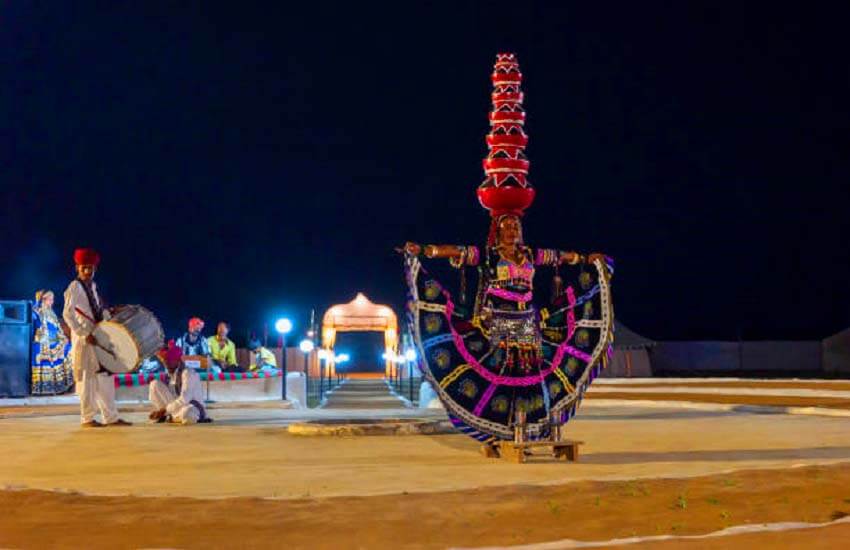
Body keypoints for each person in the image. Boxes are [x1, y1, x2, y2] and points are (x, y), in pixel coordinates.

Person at [401, 53, 614, 447]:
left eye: (516, 225)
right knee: (498, 378)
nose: (513, 229)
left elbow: (563, 258)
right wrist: (425, 250)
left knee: (534, 378)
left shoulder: (531, 256)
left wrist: (589, 260)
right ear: (498, 228)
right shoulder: (488, 255)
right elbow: (455, 252)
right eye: (508, 225)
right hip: (495, 324)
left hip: (529, 324)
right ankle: (502, 428)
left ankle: (535, 425)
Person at [62, 248, 131, 427]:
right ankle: (87, 418)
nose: (87, 271)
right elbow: (67, 314)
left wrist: (110, 313)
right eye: (84, 267)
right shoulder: (74, 287)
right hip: (85, 339)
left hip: (98, 337)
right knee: (88, 379)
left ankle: (111, 417)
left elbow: (98, 312)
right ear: (77, 268)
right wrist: (84, 334)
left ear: (95, 269)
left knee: (105, 377)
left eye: (90, 268)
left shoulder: (93, 286)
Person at [148, 340, 211, 424]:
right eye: (165, 362)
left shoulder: (188, 373)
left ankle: (172, 416)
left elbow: (185, 399)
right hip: (176, 408)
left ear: (177, 361)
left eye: (169, 361)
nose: (167, 364)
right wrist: (164, 410)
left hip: (191, 406)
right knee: (154, 384)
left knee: (188, 413)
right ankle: (171, 416)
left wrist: (164, 410)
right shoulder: (170, 374)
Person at [31, 289, 74, 395]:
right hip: (43, 343)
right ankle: (44, 389)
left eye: (52, 299)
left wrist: (63, 338)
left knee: (69, 348)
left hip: (54, 341)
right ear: (42, 299)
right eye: (49, 299)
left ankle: (61, 385)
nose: (52, 302)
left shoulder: (51, 313)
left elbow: (57, 329)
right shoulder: (36, 312)